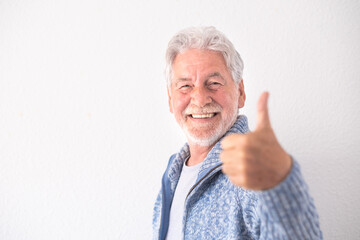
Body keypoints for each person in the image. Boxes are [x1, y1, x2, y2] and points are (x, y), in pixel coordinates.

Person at [153, 26, 322, 240]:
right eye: (185, 85)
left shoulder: (253, 169)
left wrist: (281, 183)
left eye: (214, 83)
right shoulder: (172, 172)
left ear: (240, 93)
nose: (200, 98)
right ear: (170, 99)